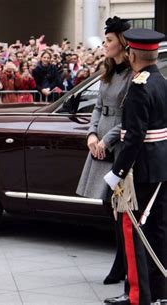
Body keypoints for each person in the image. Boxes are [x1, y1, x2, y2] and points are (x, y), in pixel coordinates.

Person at [103, 28, 167, 305]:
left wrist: (116, 173)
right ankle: (159, 293)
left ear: (132, 54)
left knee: (133, 230)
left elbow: (133, 137)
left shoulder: (140, 88)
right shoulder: (161, 81)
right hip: (161, 165)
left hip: (142, 169)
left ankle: (137, 296)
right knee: (158, 230)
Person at [76, 16, 131, 288]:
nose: (104, 45)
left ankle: (122, 263)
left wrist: (104, 140)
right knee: (108, 205)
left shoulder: (133, 74)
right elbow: (97, 106)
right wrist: (91, 134)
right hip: (101, 141)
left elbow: (130, 117)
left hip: (119, 143)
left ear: (122, 42)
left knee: (122, 208)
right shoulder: (107, 69)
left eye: (108, 40)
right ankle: (120, 261)